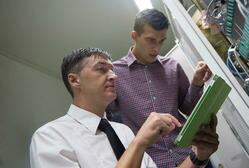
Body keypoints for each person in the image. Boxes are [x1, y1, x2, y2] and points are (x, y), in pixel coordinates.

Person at [30, 48, 219, 168]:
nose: (114, 76)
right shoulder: (50, 137)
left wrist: (198, 156)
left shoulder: (123, 132)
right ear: (74, 80)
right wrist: (139, 144)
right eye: (102, 69)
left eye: (112, 69)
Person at [108, 9, 213, 167]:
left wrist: (197, 83)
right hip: (153, 162)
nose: (156, 48)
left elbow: (188, 108)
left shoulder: (172, 66)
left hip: (191, 154)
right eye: (150, 40)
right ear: (134, 36)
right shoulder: (115, 74)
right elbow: (106, 116)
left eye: (161, 41)